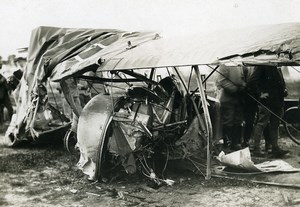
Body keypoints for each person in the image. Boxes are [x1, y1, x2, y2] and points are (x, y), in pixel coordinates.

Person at [247, 65, 289, 157]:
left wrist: (284, 89)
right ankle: (256, 149)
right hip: (267, 101)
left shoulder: (277, 65)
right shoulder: (262, 65)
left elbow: (281, 81)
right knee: (261, 123)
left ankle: (275, 148)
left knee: (276, 124)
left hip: (278, 101)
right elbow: (252, 81)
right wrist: (260, 93)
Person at [215, 65, 246, 150]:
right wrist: (235, 89)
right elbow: (222, 81)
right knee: (228, 121)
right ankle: (227, 144)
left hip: (239, 98)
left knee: (238, 121)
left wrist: (243, 86)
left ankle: (236, 143)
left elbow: (242, 79)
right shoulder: (224, 64)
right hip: (228, 99)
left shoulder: (238, 63)